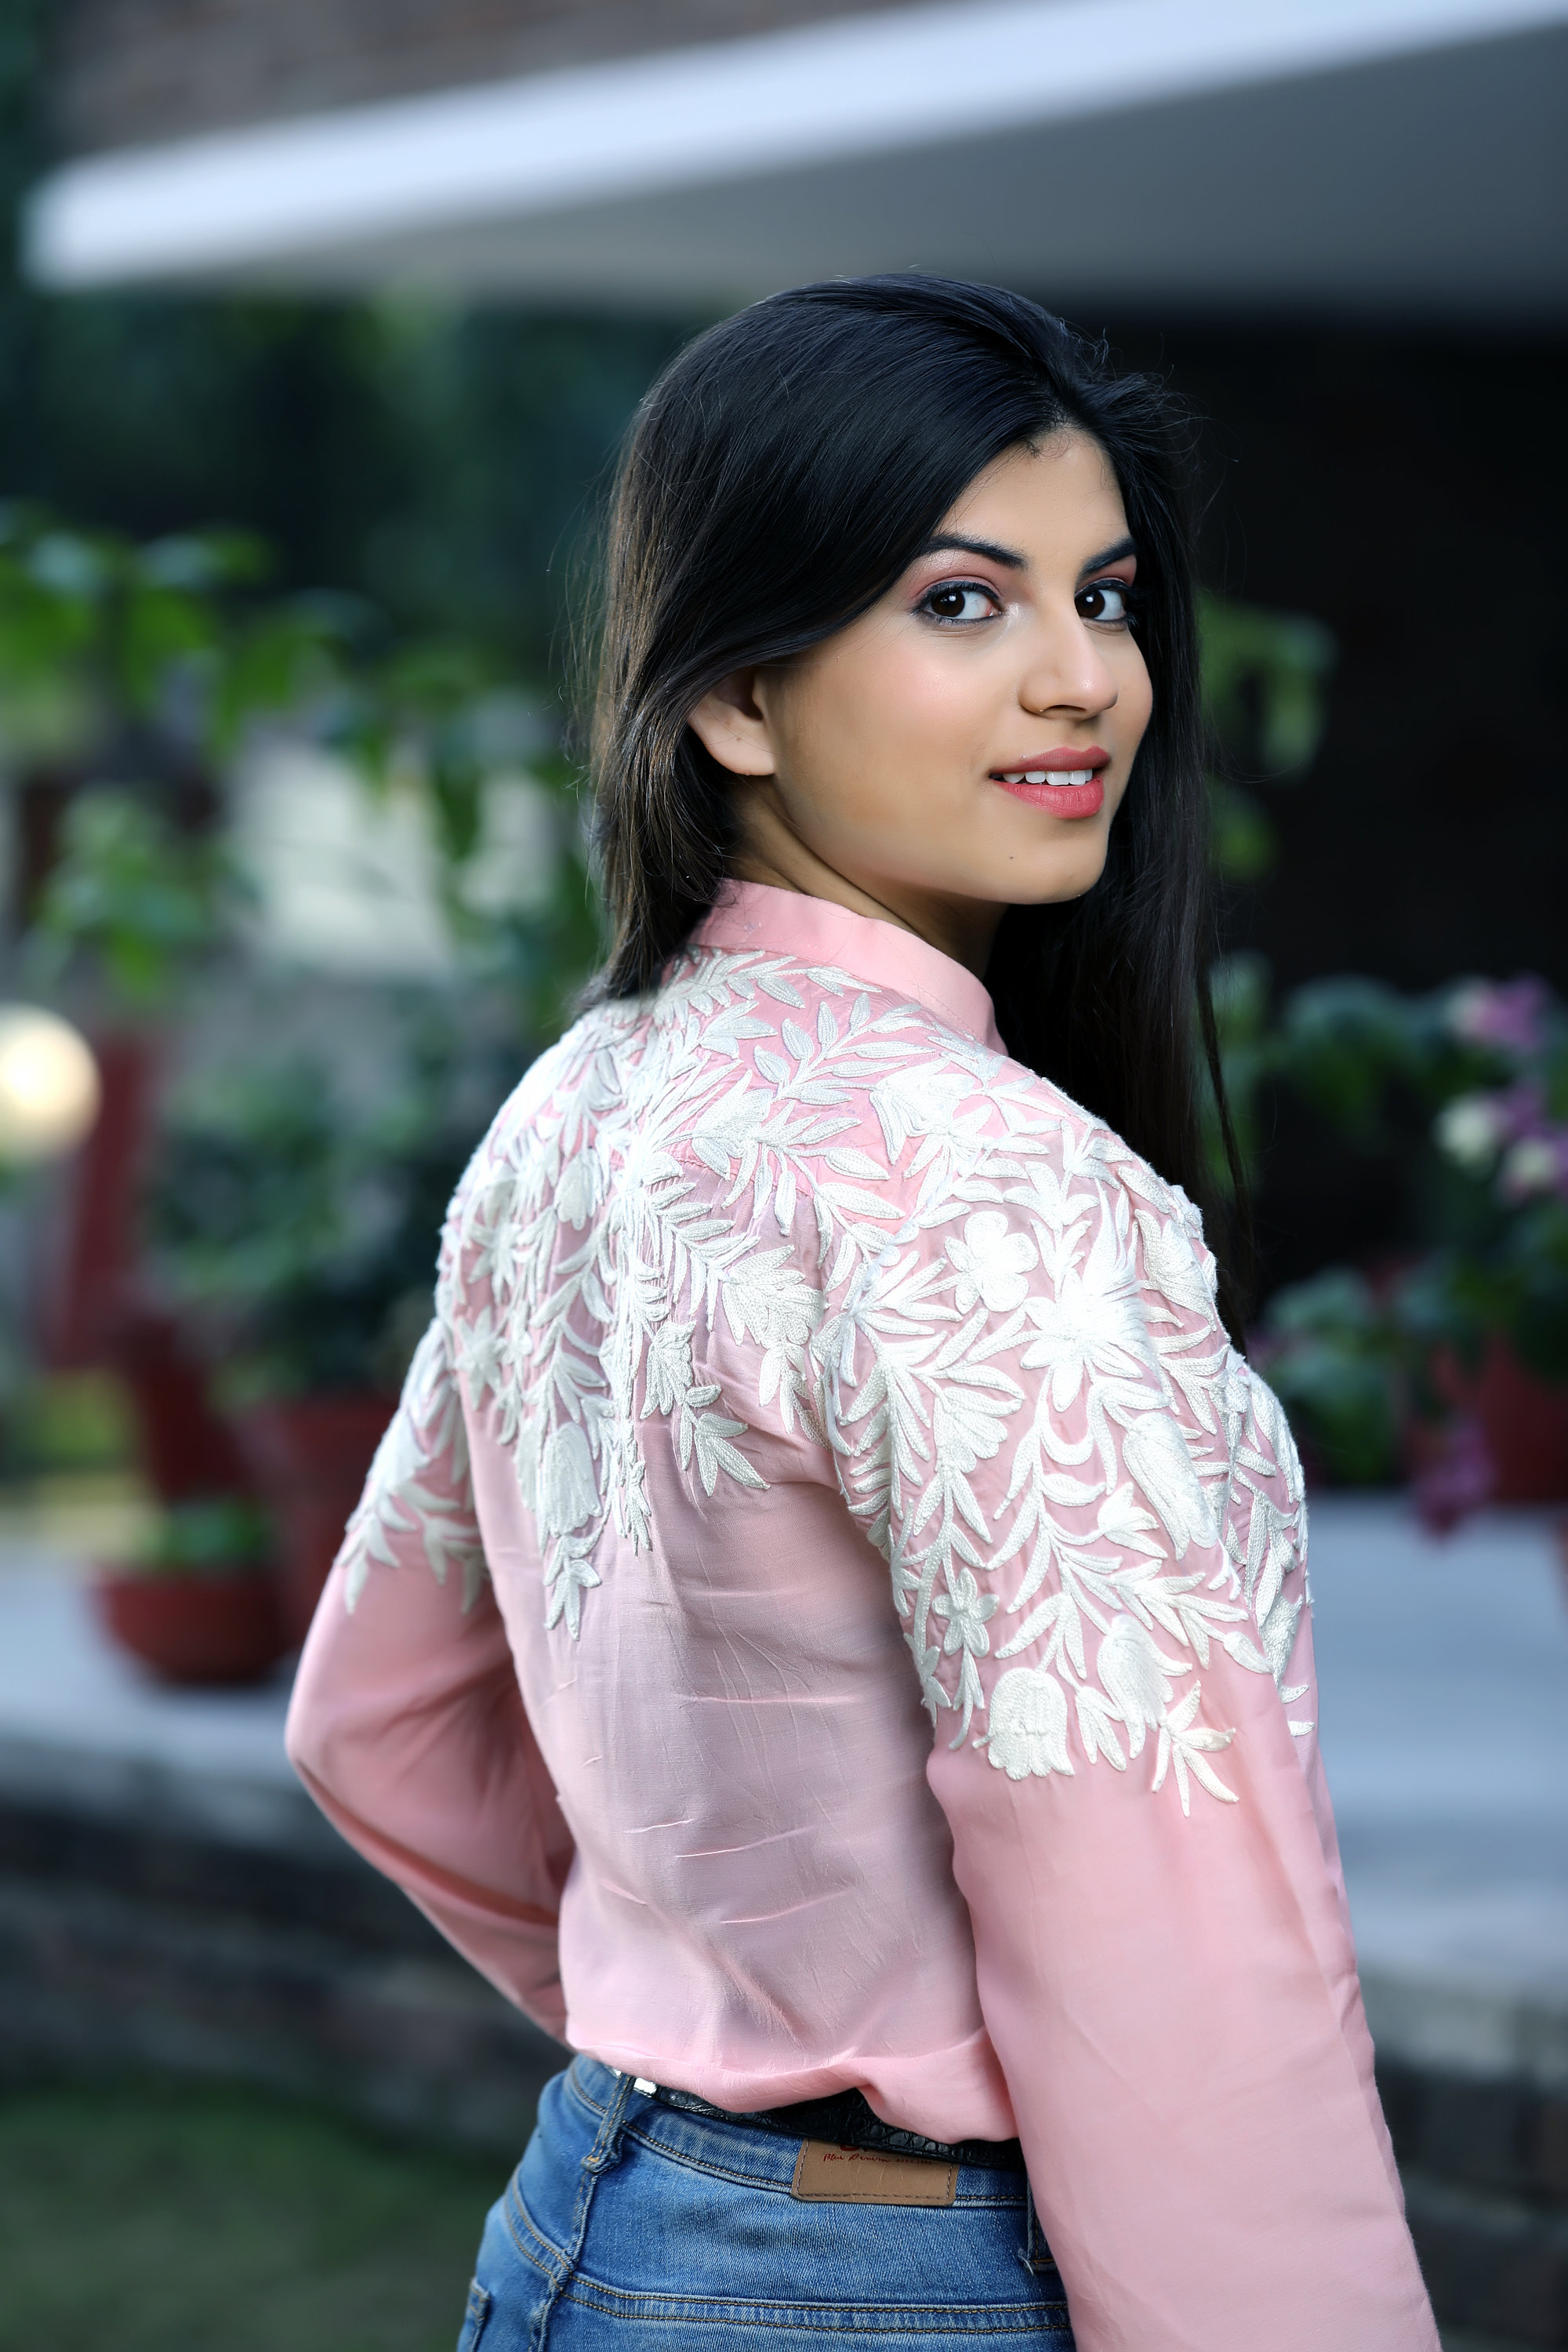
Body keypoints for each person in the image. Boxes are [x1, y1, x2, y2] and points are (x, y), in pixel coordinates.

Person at [285, 275, 1439, 2352]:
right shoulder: (986, 1188)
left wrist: (717, 2015)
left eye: (1107, 598)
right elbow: (1168, 1940)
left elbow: (375, 1723)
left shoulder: (583, 1102)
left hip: (599, 2224)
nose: (1088, 678)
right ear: (734, 697)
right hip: (893, 2276)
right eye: (966, 603)